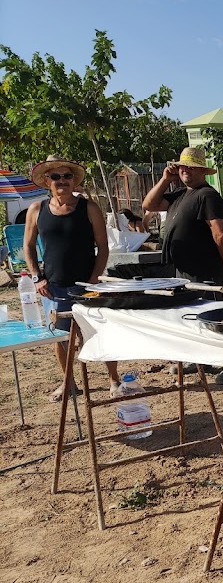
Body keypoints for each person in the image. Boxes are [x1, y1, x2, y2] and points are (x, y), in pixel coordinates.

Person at [142, 147, 223, 384]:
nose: (186, 171)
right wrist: (166, 179)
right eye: (183, 167)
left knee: (218, 317)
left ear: (202, 171)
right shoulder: (179, 194)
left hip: (205, 268)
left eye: (192, 167)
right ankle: (202, 359)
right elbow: (149, 204)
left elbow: (220, 234)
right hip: (184, 269)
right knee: (192, 315)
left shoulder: (207, 195)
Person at [24, 155, 121, 402]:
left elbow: (103, 246)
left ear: (73, 180)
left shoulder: (88, 207)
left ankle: (114, 380)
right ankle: (69, 383)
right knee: (60, 337)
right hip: (53, 286)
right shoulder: (37, 210)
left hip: (87, 286)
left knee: (99, 333)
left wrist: (94, 280)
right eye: (55, 176)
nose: (62, 181)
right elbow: (28, 245)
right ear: (47, 181)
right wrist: (37, 277)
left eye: (67, 176)